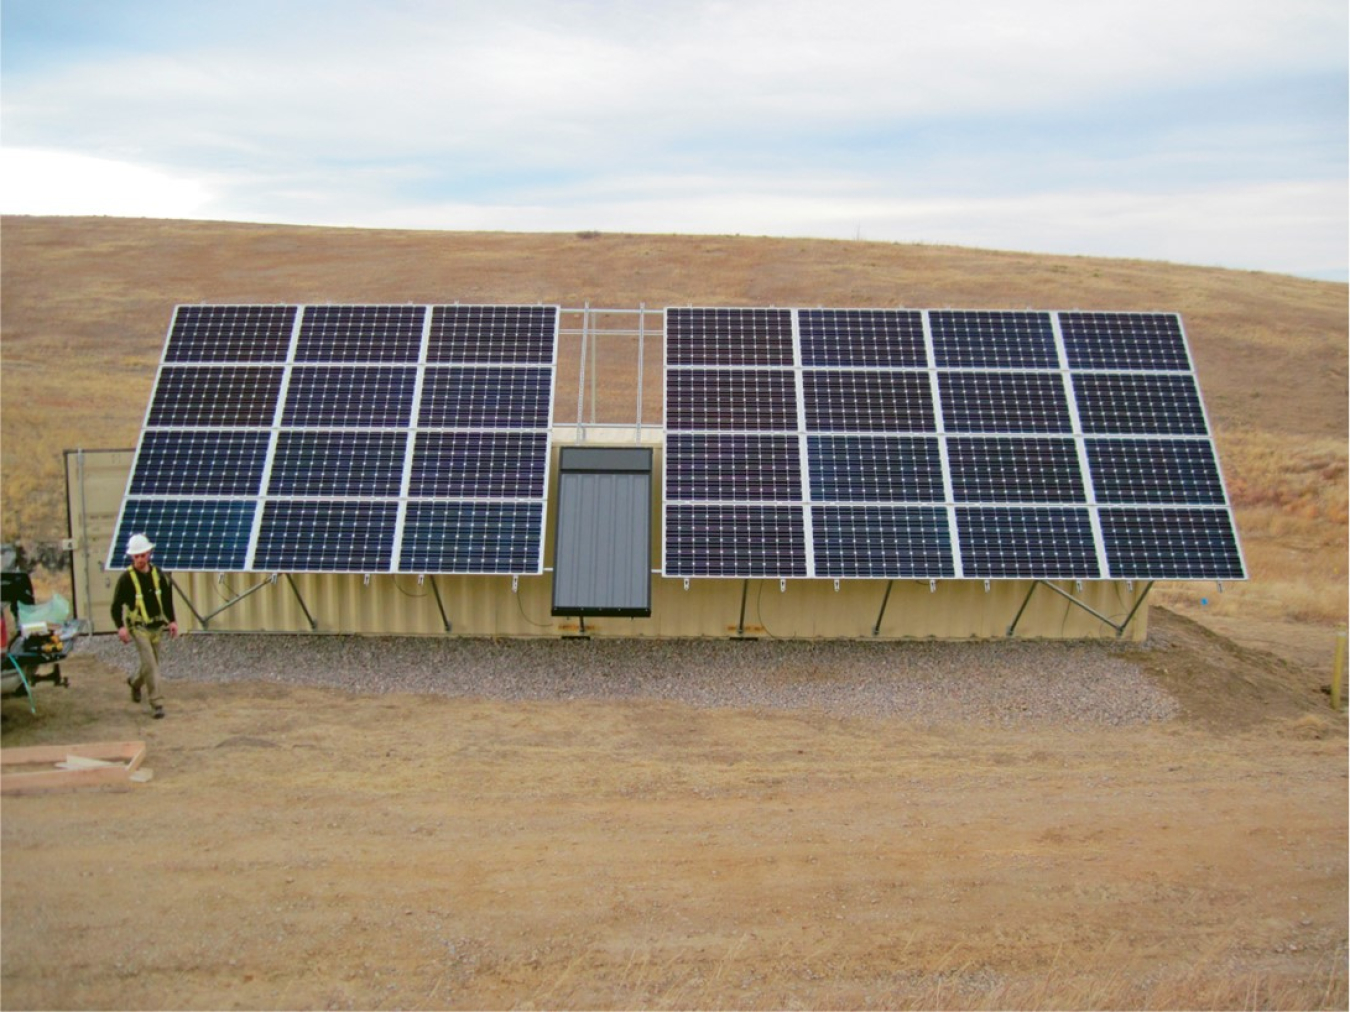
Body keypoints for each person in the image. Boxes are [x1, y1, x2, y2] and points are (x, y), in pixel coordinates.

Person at [110, 534, 178, 718]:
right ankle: (157, 703)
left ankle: (134, 683)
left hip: (157, 626)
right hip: (138, 628)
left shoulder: (159, 575)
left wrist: (172, 621)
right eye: (136, 556)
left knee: (152, 664)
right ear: (132, 557)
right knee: (151, 664)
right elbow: (116, 606)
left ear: (149, 553)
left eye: (142, 555)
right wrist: (121, 627)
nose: (139, 559)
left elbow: (167, 600)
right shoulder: (126, 579)